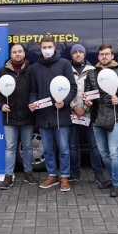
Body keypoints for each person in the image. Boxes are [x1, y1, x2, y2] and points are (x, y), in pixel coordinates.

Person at [29, 36, 77, 192]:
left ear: (54, 47)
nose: (47, 50)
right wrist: (33, 103)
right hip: (43, 116)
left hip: (60, 115)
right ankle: (52, 175)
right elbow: (33, 90)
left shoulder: (64, 64)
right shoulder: (35, 67)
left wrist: (65, 101)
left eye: (49, 46)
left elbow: (72, 87)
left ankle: (64, 177)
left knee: (64, 148)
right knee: (48, 149)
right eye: (44, 47)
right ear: (40, 48)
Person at [84, 44, 118, 197]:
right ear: (98, 57)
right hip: (97, 117)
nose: (104, 57)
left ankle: (117, 183)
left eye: (107, 54)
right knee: (104, 153)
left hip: (114, 117)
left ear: (112, 56)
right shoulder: (91, 74)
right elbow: (87, 94)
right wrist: (87, 102)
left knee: (114, 152)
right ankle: (111, 179)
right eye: (101, 54)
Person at [0, 45, 37, 189]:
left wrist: (32, 102)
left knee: (28, 146)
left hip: (27, 114)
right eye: (14, 52)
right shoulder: (3, 71)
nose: (17, 54)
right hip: (9, 115)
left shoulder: (31, 70)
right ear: (10, 54)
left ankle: (28, 172)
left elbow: (34, 90)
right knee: (10, 147)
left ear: (24, 53)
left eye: (20, 51)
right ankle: (8, 176)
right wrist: (1, 105)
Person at [67, 44, 110, 188]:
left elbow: (96, 91)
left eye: (80, 52)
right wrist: (74, 106)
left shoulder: (93, 70)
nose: (78, 54)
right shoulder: (67, 70)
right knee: (73, 145)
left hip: (90, 114)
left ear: (84, 55)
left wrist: (85, 107)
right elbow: (64, 91)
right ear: (72, 55)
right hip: (72, 113)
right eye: (75, 52)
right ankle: (75, 173)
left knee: (94, 145)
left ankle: (98, 174)